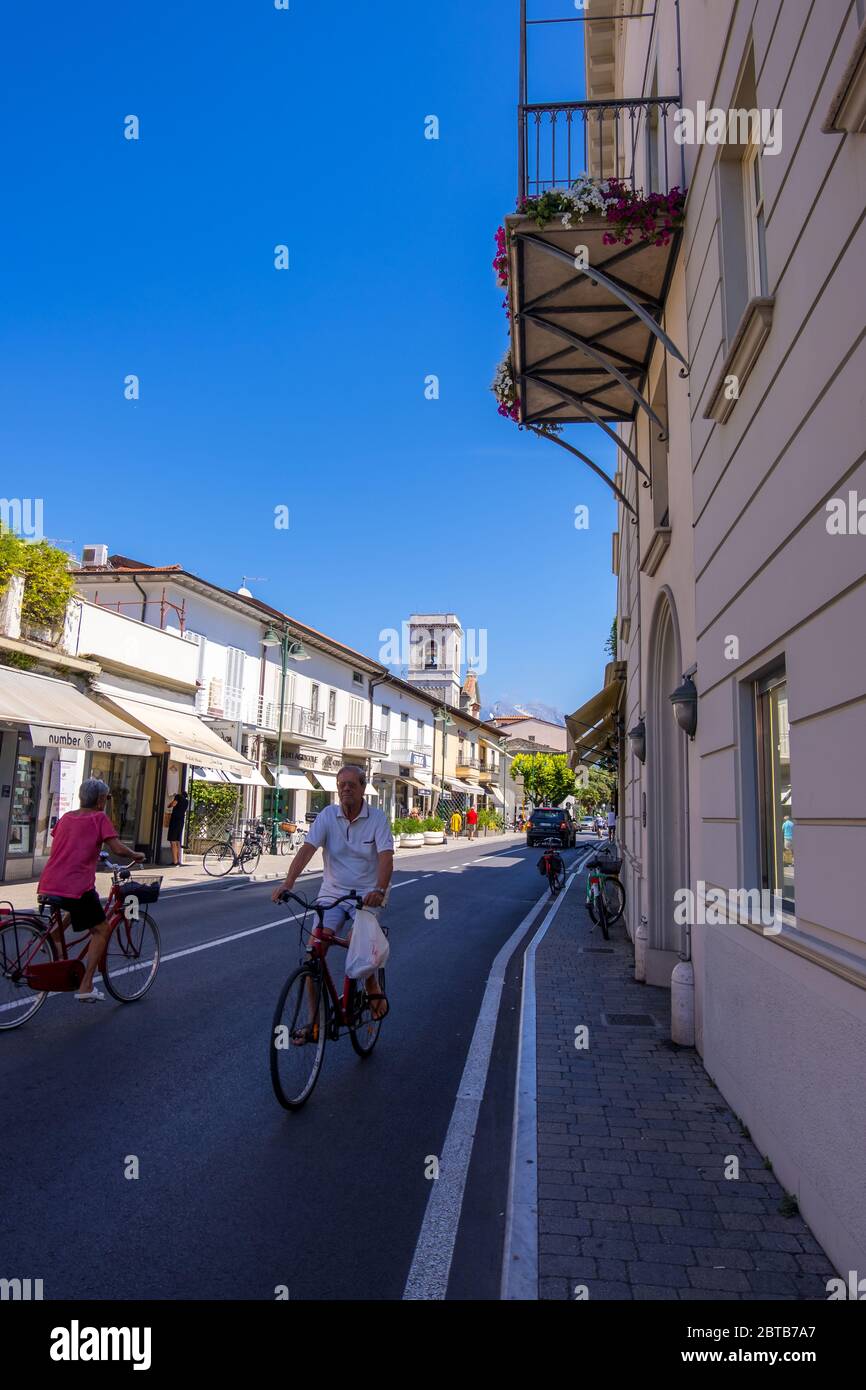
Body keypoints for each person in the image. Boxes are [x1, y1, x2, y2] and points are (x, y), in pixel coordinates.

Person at [272, 764, 393, 1027]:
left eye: (352, 784)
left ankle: (370, 979)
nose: (346, 788)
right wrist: (288, 883)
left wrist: (379, 890)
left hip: (367, 895)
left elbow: (386, 858)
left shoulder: (377, 819)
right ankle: (315, 1022)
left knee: (357, 942)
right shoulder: (327, 816)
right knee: (313, 954)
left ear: (363, 788)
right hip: (332, 894)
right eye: (341, 785)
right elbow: (307, 850)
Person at [37, 778, 145, 1002]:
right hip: (76, 884)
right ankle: (86, 985)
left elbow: (69, 844)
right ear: (100, 800)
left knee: (73, 906)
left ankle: (56, 934)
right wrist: (135, 855)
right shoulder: (99, 818)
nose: (105, 802)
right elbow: (116, 847)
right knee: (102, 929)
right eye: (105, 799)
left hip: (49, 881)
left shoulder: (66, 818)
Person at [166, 789, 189, 866]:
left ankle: (175, 861)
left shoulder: (178, 796)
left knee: (172, 841)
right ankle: (178, 860)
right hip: (181, 821)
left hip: (175, 820)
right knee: (177, 841)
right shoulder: (186, 802)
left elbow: (173, 804)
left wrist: (169, 805)